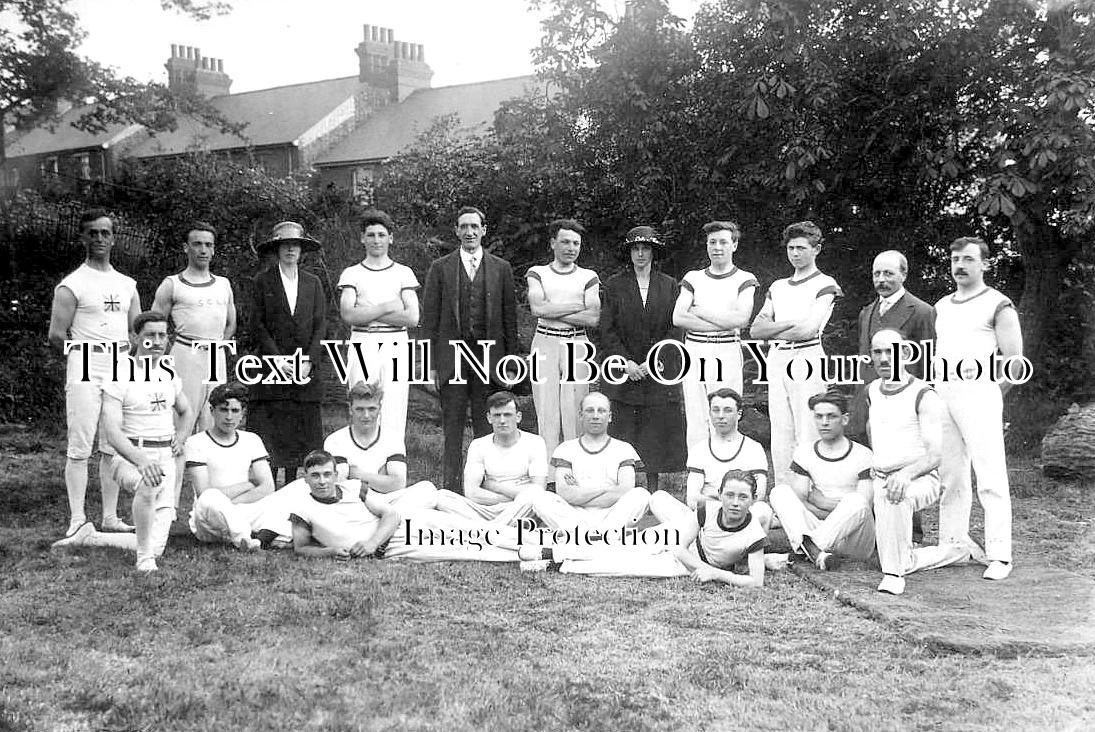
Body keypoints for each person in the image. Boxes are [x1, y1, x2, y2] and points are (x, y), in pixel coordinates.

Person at [54, 311, 193, 572]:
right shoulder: (119, 374)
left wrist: (181, 439)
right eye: (150, 335)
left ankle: (93, 537)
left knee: (157, 544)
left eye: (162, 335)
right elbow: (112, 431)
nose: (158, 341)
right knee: (149, 485)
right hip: (129, 456)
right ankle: (143, 559)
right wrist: (141, 461)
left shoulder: (168, 374)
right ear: (135, 338)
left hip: (165, 457)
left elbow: (186, 411)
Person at [935, 236, 1024, 581]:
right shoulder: (942, 305)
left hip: (980, 395)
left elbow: (1015, 363)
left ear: (984, 264)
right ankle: (953, 544)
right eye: (955, 259)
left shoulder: (998, 304)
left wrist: (989, 391)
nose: (960, 265)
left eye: (968, 259)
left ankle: (1000, 553)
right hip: (944, 394)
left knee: (990, 474)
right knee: (951, 474)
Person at [48, 208, 141, 537]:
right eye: (93, 233)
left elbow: (137, 332)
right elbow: (56, 335)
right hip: (86, 364)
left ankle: (110, 516)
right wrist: (85, 357)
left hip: (120, 364)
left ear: (113, 237)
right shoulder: (72, 284)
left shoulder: (127, 284)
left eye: (105, 233)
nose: (99, 238)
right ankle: (77, 519)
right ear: (83, 237)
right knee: (80, 443)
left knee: (113, 443)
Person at [522, 470, 768, 588]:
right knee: (613, 545)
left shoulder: (754, 534)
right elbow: (679, 546)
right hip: (677, 542)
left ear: (753, 500)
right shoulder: (707, 510)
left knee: (620, 568)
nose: (735, 502)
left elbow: (756, 582)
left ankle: (553, 563)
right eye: (730, 495)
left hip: (683, 565)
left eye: (743, 497)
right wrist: (705, 569)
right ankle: (547, 551)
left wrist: (717, 574)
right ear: (720, 494)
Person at [421, 206, 520, 494]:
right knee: (451, 430)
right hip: (452, 361)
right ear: (456, 231)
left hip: (488, 361)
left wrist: (510, 364)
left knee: (484, 428)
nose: (469, 232)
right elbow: (429, 321)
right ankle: (450, 491)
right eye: (464, 227)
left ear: (484, 230)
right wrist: (429, 366)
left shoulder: (501, 268)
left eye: (475, 227)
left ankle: (485, 489)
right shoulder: (440, 268)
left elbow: (509, 320)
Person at [868, 329, 969, 595]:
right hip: (880, 476)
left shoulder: (925, 395)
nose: (884, 358)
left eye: (890, 351)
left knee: (894, 496)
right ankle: (955, 552)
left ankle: (894, 575)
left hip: (920, 479)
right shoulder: (873, 391)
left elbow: (935, 456)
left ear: (904, 353)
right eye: (877, 352)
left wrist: (905, 474)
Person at [288, 450, 520, 562]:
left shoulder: (353, 487)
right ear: (305, 477)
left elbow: (389, 514)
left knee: (476, 531)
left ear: (335, 475)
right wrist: (329, 552)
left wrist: (371, 542)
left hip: (404, 526)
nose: (322, 481)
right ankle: (541, 553)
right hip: (396, 549)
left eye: (327, 474)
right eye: (315, 476)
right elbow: (301, 548)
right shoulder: (302, 508)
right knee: (471, 549)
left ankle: (548, 541)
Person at [750, 221, 842, 484]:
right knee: (781, 431)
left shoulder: (825, 283)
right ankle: (784, 497)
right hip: (778, 358)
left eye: (801, 247)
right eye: (791, 248)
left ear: (817, 249)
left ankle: (813, 492)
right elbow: (756, 330)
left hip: (807, 357)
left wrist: (774, 329)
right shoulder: (778, 286)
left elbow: (809, 330)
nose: (795, 253)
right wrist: (789, 325)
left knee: (809, 427)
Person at [599, 225, 686, 492]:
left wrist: (654, 361)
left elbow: (675, 327)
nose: (640, 254)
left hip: (657, 368)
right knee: (623, 425)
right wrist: (625, 362)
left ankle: (653, 488)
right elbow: (606, 328)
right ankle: (620, 487)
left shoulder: (669, 285)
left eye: (645, 248)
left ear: (653, 252)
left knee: (655, 428)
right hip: (624, 368)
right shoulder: (615, 285)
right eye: (635, 249)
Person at [248, 221, 328, 485]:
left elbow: (320, 325)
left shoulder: (312, 283)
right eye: (285, 245)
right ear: (277, 249)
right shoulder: (262, 281)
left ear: (302, 250)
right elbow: (257, 324)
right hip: (271, 371)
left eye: (295, 245)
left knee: (301, 439)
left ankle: (296, 492)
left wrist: (309, 361)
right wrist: (277, 360)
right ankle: (267, 491)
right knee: (270, 439)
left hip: (303, 372)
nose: (291, 250)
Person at [672, 221, 759, 448]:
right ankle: (700, 471)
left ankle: (728, 471)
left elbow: (741, 319)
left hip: (727, 349)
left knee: (725, 408)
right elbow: (679, 317)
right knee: (696, 409)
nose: (717, 247)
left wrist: (700, 312)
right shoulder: (693, 277)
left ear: (735, 245)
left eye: (723, 242)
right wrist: (722, 322)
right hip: (695, 348)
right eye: (712, 242)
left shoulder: (744, 278)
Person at [335, 209, 419, 438]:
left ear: (390, 238)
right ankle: (361, 463)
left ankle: (393, 465)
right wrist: (387, 306)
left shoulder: (403, 273)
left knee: (394, 405)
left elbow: (412, 317)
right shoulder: (352, 273)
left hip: (396, 343)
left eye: (381, 235)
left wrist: (368, 312)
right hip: (363, 341)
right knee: (362, 401)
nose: (376, 240)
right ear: (362, 238)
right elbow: (349, 315)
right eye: (371, 235)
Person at [768, 391, 875, 570]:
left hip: (855, 539)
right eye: (819, 416)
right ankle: (816, 553)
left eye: (831, 416)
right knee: (780, 492)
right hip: (818, 526)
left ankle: (808, 548)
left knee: (855, 500)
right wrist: (835, 509)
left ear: (845, 419)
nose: (824, 422)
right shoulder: (805, 453)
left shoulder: (863, 455)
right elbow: (800, 502)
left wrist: (821, 501)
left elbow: (863, 508)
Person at [151, 221, 237, 435]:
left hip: (215, 358)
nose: (203, 250)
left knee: (213, 418)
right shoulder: (172, 284)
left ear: (214, 249)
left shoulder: (223, 284)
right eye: (197, 244)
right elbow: (154, 326)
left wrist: (219, 346)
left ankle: (204, 468)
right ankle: (176, 468)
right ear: (186, 247)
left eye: (208, 245)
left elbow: (231, 323)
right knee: (182, 418)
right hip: (185, 355)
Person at [526, 392, 650, 536]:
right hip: (574, 514)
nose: (595, 416)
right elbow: (566, 494)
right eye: (590, 410)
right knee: (541, 498)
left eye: (601, 411)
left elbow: (625, 491)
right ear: (580, 415)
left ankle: (589, 537)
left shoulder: (624, 449)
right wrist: (605, 489)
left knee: (641, 495)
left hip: (613, 514)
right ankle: (601, 537)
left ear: (609, 417)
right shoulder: (566, 449)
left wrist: (580, 493)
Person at [527, 219, 600, 457]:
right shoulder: (538, 272)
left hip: (577, 344)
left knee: (576, 408)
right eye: (565, 242)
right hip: (545, 342)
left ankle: (575, 468)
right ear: (552, 243)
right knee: (546, 409)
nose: (571, 248)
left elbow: (592, 317)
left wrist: (553, 307)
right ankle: (547, 475)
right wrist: (576, 305)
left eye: (576, 243)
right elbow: (538, 309)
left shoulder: (588, 276)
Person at [848, 250, 935, 440]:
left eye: (888, 273)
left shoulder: (922, 312)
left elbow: (928, 368)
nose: (881, 279)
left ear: (903, 275)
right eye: (876, 274)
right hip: (866, 402)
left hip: (901, 404)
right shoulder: (867, 312)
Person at [434, 390, 547, 525]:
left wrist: (495, 486)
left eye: (507, 415)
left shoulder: (535, 442)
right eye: (497, 415)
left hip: (520, 509)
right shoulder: (478, 445)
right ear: (489, 418)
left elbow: (538, 489)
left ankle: (484, 530)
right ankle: (496, 530)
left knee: (534, 495)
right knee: (442, 497)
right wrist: (514, 496)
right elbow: (472, 493)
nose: (502, 420)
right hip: (486, 509)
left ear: (518, 417)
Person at [185, 382, 274, 551]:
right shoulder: (196, 442)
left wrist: (230, 505)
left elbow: (268, 487)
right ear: (212, 411)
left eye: (235, 411)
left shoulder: (251, 440)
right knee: (211, 497)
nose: (229, 417)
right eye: (223, 410)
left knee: (291, 493)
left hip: (243, 509)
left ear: (243, 413)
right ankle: (245, 538)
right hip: (210, 518)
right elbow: (204, 493)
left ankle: (257, 535)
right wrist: (248, 484)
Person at [322, 380, 438, 510]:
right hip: (352, 502)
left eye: (372, 409)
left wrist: (358, 474)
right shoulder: (335, 440)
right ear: (350, 409)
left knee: (427, 490)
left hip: (388, 501)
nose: (366, 415)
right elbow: (341, 485)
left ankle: (384, 518)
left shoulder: (392, 438)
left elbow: (398, 484)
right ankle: (388, 520)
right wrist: (381, 479)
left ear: (380, 408)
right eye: (360, 409)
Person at [683, 388, 772, 526]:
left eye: (728, 410)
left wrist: (721, 503)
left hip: (741, 515)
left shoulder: (753, 448)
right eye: (716, 410)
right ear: (710, 413)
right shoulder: (699, 449)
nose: (721, 416)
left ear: (739, 414)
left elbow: (758, 496)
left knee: (763, 510)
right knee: (658, 499)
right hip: (707, 515)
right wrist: (724, 504)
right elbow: (692, 498)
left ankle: (743, 543)